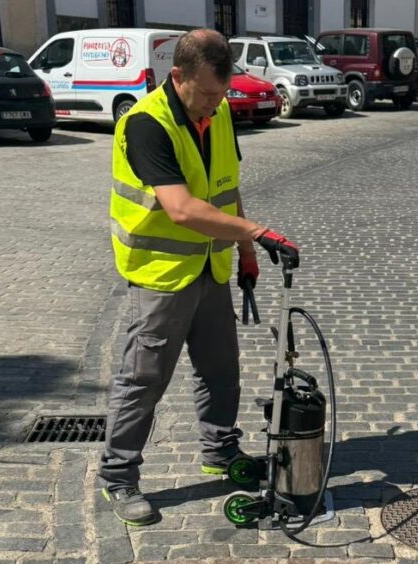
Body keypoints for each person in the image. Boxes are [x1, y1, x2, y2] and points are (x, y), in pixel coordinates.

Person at [98, 29, 299, 526]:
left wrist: (246, 249)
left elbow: (226, 186)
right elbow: (183, 208)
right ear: (178, 76)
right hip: (161, 275)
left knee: (220, 369)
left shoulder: (220, 112)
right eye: (206, 93)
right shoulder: (146, 124)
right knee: (143, 380)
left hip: (212, 268)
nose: (214, 104)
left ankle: (220, 449)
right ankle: (119, 477)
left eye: (221, 93)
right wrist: (257, 231)